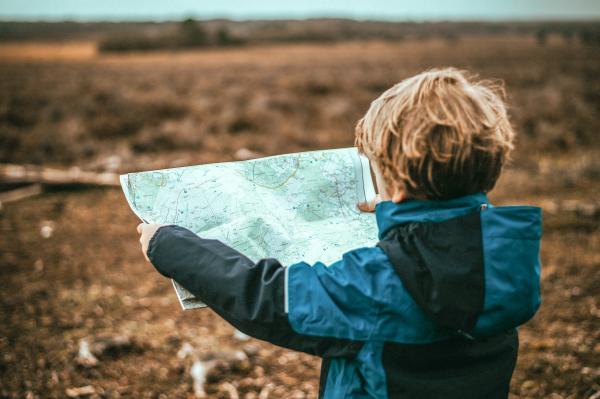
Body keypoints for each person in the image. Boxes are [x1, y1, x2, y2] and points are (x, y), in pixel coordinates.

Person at [137, 68, 542, 399]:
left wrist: (168, 244)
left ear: (396, 183)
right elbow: (442, 243)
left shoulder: (376, 284)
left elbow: (268, 299)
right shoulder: (506, 258)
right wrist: (396, 213)